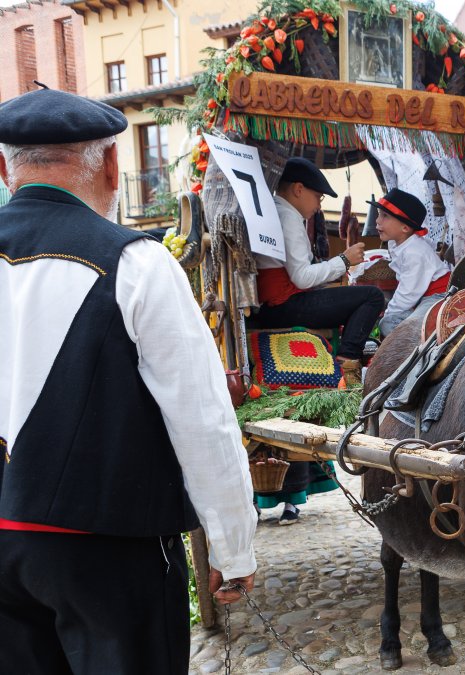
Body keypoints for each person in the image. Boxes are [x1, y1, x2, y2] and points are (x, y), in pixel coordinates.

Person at [0, 85, 256, 673]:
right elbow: (203, 418)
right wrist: (232, 544)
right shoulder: (135, 262)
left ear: (6, 169)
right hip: (106, 550)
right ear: (114, 164)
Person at [252, 157, 385, 385]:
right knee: (373, 297)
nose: (318, 205)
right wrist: (344, 260)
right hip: (284, 305)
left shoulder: (275, 210)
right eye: (318, 197)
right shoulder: (287, 217)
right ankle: (348, 362)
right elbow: (302, 278)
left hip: (275, 305)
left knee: (356, 297)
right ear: (298, 189)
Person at [371, 188, 453, 336]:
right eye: (379, 214)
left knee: (390, 323)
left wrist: (389, 314)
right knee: (392, 321)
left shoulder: (414, 252)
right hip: (422, 297)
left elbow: (408, 293)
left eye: (385, 216)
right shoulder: (397, 244)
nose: (377, 221)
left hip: (438, 297)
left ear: (405, 227)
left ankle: (421, 355)